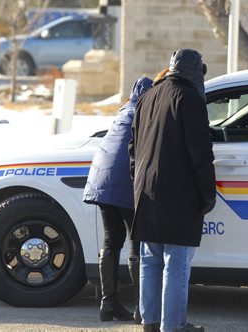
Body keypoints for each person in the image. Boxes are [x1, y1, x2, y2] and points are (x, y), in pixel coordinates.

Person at [129, 49, 216, 332]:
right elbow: (201, 154)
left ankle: (150, 323)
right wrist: (207, 193)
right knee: (176, 265)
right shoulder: (189, 99)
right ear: (195, 71)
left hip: (145, 191)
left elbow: (132, 150)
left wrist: (137, 182)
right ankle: (174, 326)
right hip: (179, 194)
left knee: (150, 261)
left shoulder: (147, 97)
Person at [83, 76, 153, 322]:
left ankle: (108, 303)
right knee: (137, 242)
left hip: (102, 181)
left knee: (112, 241)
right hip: (125, 181)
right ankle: (141, 308)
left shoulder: (123, 111)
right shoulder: (145, 112)